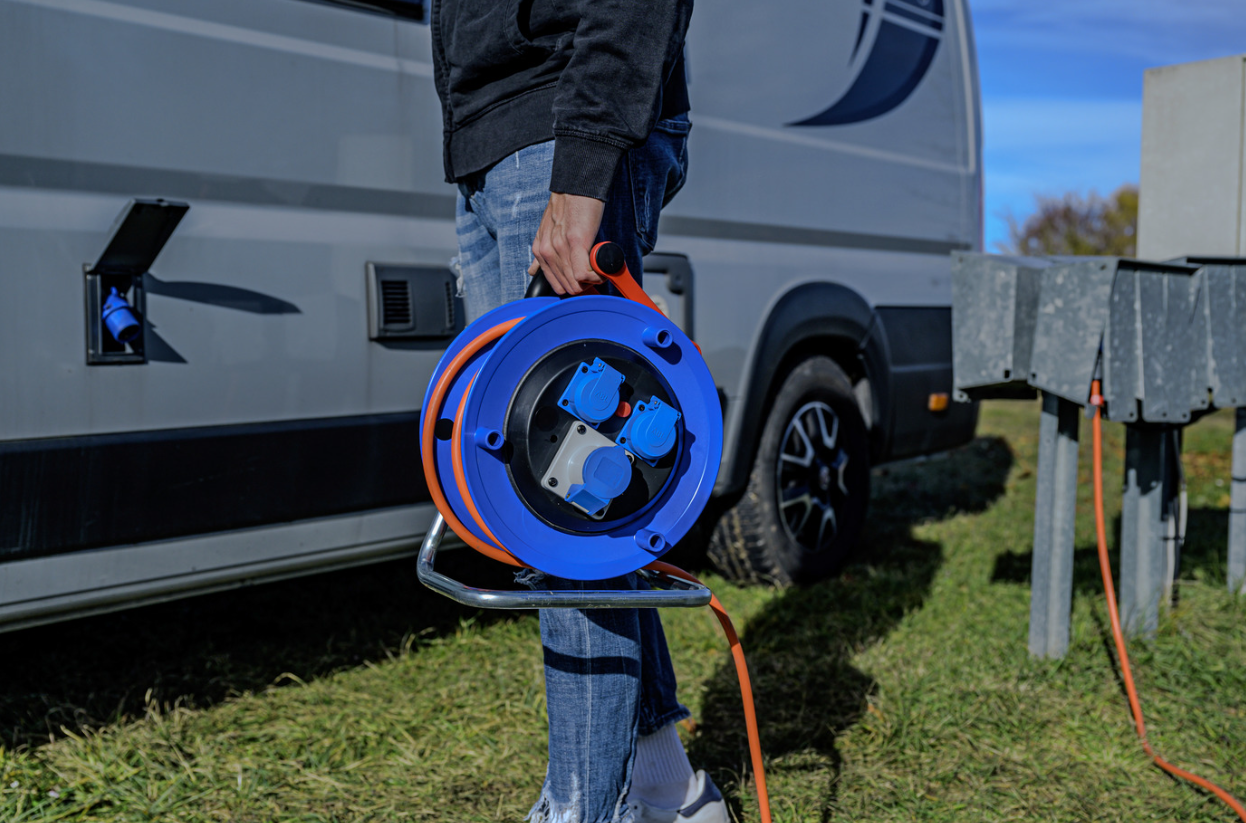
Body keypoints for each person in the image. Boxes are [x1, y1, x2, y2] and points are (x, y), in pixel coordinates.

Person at [430, 1, 728, 822]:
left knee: (560, 511)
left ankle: (582, 809)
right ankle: (667, 786)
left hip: (559, 119)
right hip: (489, 137)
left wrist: (586, 158)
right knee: (572, 503)